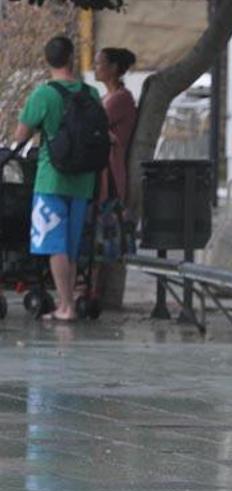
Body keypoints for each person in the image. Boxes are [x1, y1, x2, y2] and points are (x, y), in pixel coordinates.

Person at [13, 35, 102, 322]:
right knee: (72, 247)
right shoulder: (91, 94)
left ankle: (66, 307)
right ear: (72, 58)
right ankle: (70, 302)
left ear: (47, 60)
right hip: (84, 181)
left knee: (55, 246)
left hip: (52, 179)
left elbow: (20, 136)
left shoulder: (44, 95)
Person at [92, 47, 138, 300]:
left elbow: (95, 123)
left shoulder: (120, 99)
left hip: (109, 174)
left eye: (99, 63)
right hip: (101, 172)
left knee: (102, 233)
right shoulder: (107, 97)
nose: (95, 67)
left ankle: (94, 291)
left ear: (113, 68)